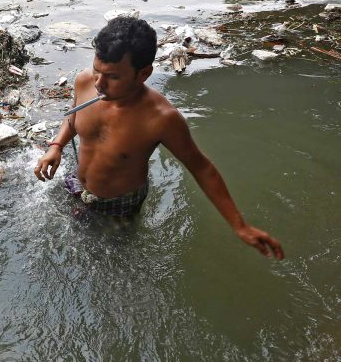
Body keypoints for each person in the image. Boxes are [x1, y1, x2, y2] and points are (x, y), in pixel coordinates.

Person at [33, 17, 284, 260]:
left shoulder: (161, 118)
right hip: (77, 183)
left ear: (143, 73)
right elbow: (73, 115)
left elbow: (202, 168)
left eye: (113, 77)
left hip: (118, 203)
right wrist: (56, 146)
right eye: (97, 71)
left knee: (111, 258)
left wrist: (240, 226)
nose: (99, 84)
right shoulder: (85, 80)